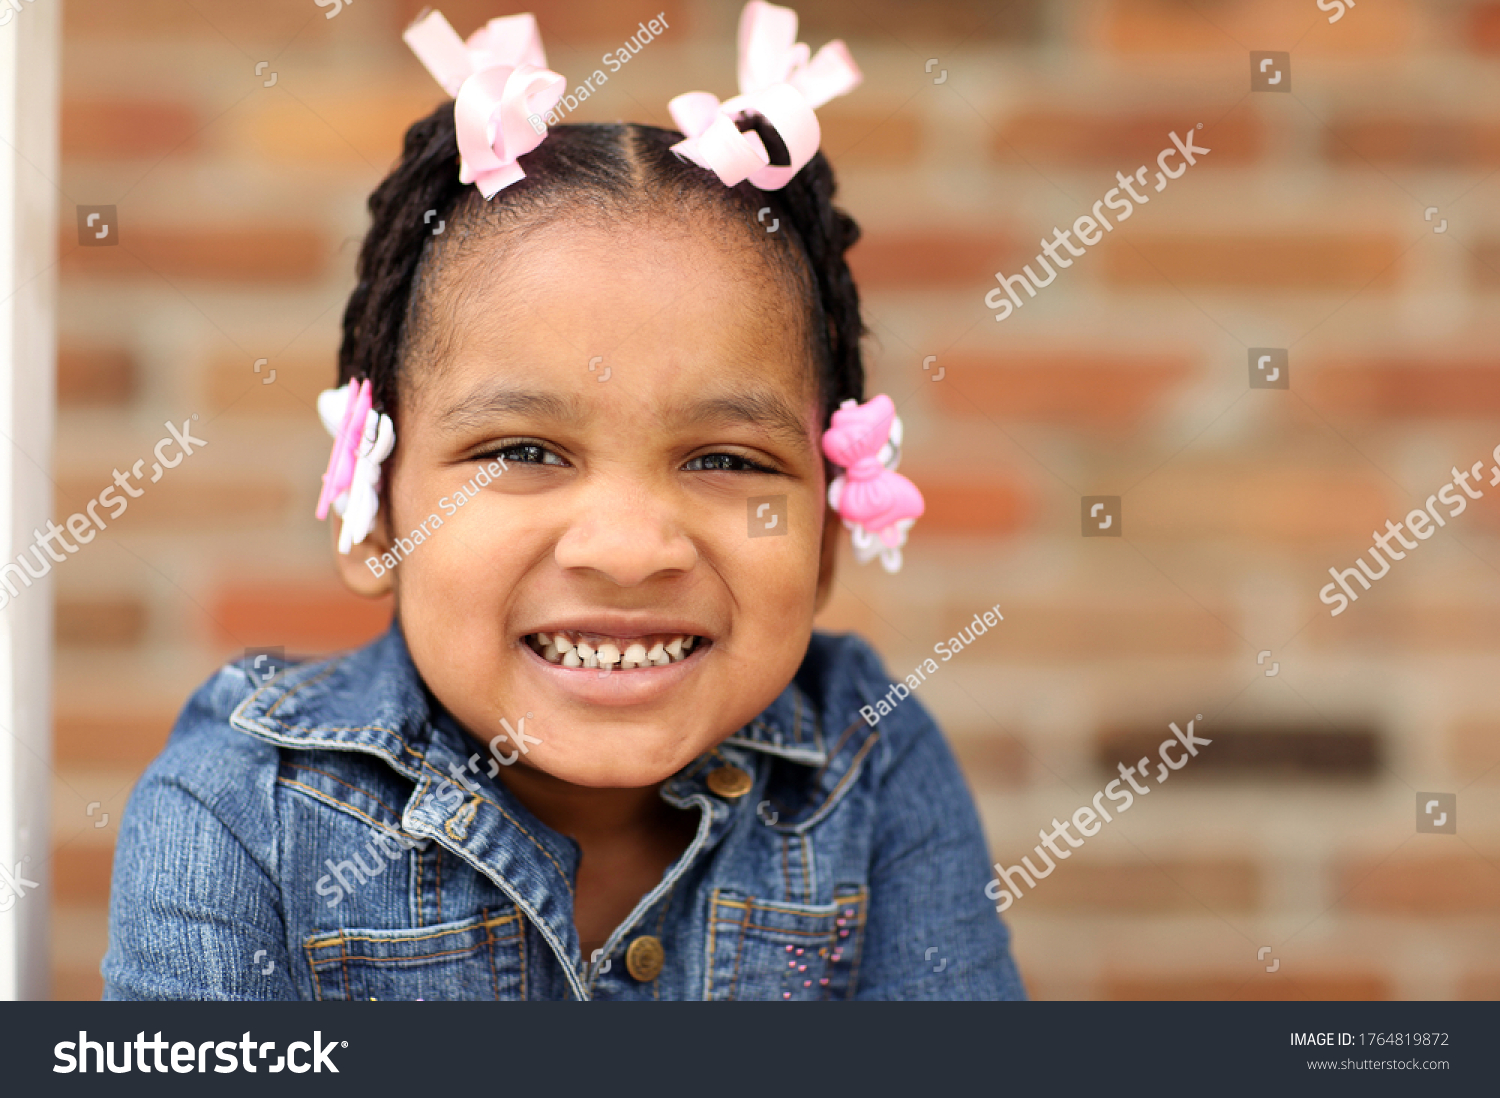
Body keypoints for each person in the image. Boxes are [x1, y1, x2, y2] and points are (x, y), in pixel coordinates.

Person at [102, 2, 1024, 1001]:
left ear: (826, 539)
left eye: (725, 461)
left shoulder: (873, 769)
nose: (630, 550)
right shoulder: (239, 813)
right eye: (525, 450)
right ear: (372, 511)